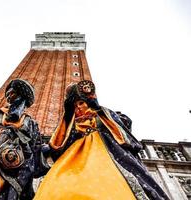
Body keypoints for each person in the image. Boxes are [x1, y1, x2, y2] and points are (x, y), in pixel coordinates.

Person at [34, 80, 169, 200]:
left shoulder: (103, 114)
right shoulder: (71, 125)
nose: (78, 108)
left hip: (106, 153)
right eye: (75, 106)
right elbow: (59, 144)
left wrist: (100, 111)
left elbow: (125, 126)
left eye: (81, 103)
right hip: (75, 157)